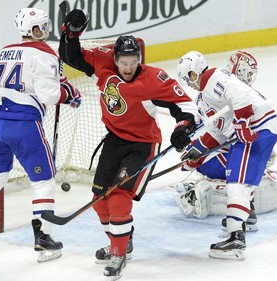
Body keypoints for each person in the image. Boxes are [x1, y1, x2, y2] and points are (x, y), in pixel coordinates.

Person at [58, 9, 198, 279]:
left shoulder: (152, 79)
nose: (129, 66)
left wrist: (183, 126)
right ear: (115, 58)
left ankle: (119, 253)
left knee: (120, 198)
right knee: (100, 199)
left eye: (134, 60)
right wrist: (71, 34)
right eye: (124, 60)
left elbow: (183, 103)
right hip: (115, 140)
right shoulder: (102, 62)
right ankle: (120, 242)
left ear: (139, 59)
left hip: (143, 145)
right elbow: (69, 56)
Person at [0, 8, 81, 263]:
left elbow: (34, 78)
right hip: (22, 125)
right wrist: (69, 95)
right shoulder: (45, 53)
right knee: (44, 179)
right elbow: (49, 95)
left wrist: (60, 80)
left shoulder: (7, 50)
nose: (44, 32)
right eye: (40, 28)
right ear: (31, 30)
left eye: (45, 26)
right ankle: (43, 237)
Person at [176, 50, 277, 260]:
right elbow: (217, 131)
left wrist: (243, 121)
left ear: (197, 71)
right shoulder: (204, 98)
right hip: (253, 130)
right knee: (238, 178)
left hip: (256, 128)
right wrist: (197, 150)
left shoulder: (214, 78)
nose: (188, 82)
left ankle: (235, 240)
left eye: (189, 76)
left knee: (237, 182)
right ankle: (245, 218)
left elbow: (239, 92)